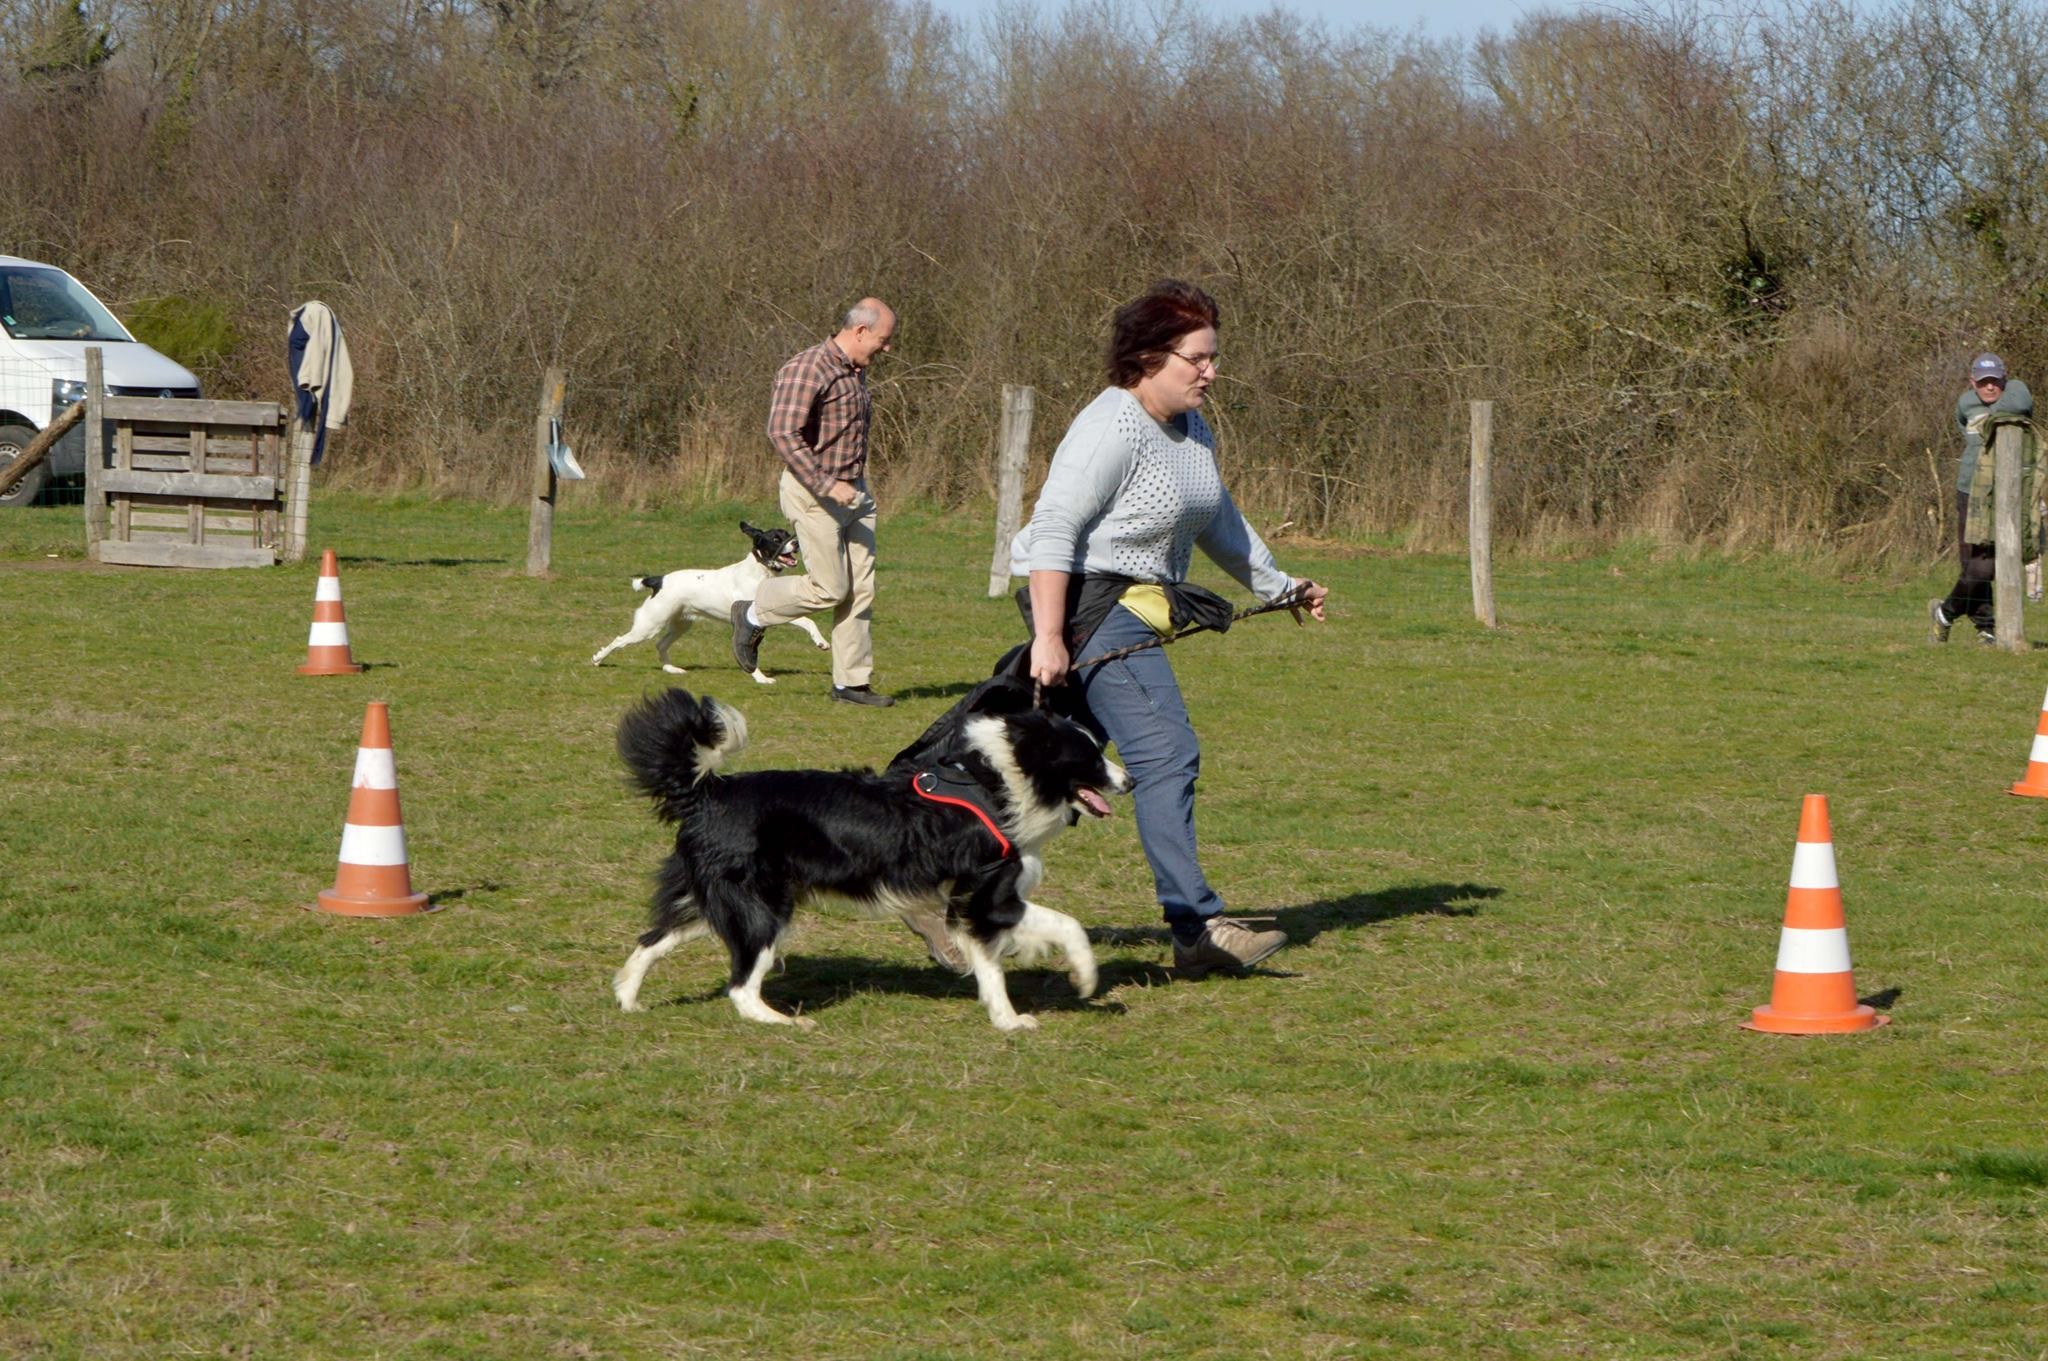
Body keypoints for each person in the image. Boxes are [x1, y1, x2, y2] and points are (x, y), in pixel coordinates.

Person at [1009, 279, 1330, 977]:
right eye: (1199, 358)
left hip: (1134, 606)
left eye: (1214, 357)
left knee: (1040, 764)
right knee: (1165, 749)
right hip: (1088, 603)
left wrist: (1282, 589)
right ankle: (1196, 925)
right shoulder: (1110, 427)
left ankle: (932, 883)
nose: (1211, 371)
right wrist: (1051, 634)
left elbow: (1217, 518)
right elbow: (1054, 528)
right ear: (1150, 356)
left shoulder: (1191, 428)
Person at [732, 298, 897, 706]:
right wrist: (826, 483)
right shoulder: (808, 368)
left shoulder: (854, 373)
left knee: (861, 589)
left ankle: (851, 684)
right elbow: (783, 433)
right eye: (883, 339)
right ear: (860, 331)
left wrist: (851, 486)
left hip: (855, 492)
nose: (887, 348)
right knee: (830, 588)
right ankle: (751, 612)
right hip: (814, 493)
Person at [1931, 352, 2035, 644]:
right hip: (1970, 490)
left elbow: (2020, 402)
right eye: (1983, 383)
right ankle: (1986, 628)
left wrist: (1994, 411)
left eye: (1995, 381)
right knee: (1974, 561)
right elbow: (1963, 422)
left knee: (1987, 563)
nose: (1989, 388)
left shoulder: (2016, 391)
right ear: (1972, 382)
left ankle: (1945, 612)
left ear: (2005, 378)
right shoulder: (1966, 401)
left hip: (2008, 493)